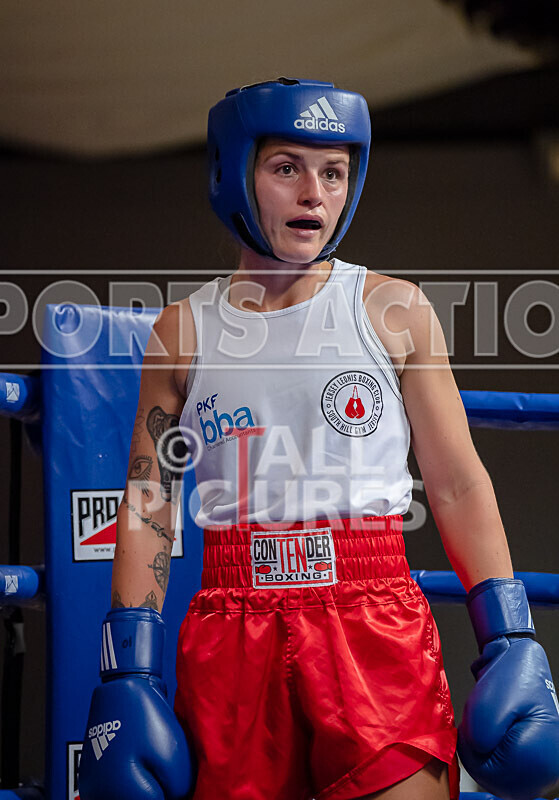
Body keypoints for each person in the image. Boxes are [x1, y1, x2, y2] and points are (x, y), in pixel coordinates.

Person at [79, 78, 559, 800]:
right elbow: (149, 502)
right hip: (233, 621)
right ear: (234, 174)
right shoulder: (182, 331)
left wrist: (509, 635)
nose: (314, 193)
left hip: (371, 612)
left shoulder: (392, 309)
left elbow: (457, 483)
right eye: (287, 168)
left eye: (333, 173)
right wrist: (129, 667)